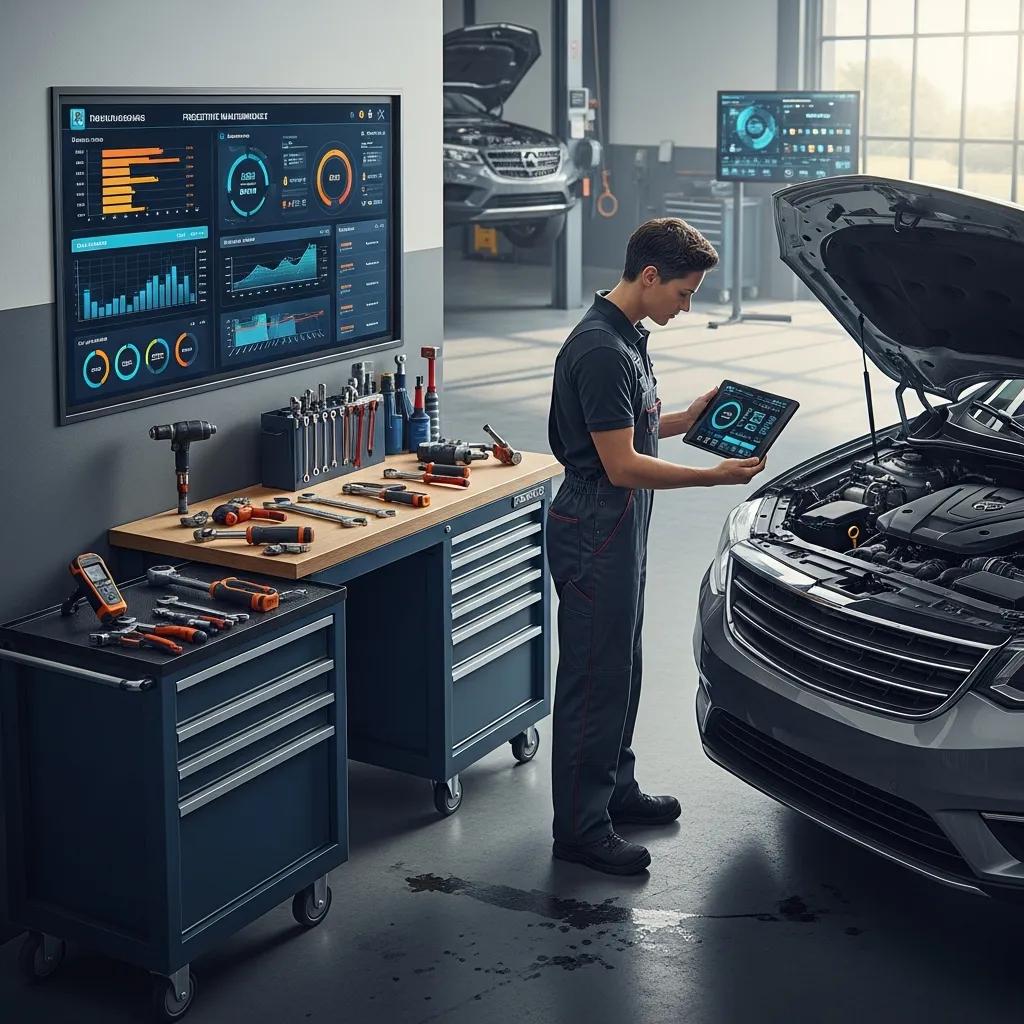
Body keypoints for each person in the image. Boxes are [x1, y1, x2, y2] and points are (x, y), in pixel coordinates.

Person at [546, 217, 766, 875]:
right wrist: (713, 475)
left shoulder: (628, 337)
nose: (687, 305)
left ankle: (615, 788)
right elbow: (621, 463)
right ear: (649, 277)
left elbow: (631, 427)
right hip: (596, 522)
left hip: (620, 524)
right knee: (593, 676)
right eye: (684, 292)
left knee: (624, 664)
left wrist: (688, 419)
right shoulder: (600, 351)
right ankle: (581, 831)